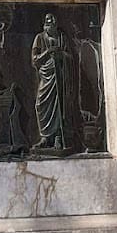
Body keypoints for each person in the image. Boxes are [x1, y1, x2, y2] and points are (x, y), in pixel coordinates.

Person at [31, 13, 76, 152]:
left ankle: (58, 137)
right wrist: (48, 52)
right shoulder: (39, 38)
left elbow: (70, 57)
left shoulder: (62, 37)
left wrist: (61, 55)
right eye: (48, 22)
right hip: (46, 76)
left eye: (53, 22)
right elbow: (35, 60)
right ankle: (45, 137)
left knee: (59, 105)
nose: (51, 24)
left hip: (60, 77)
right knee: (40, 104)